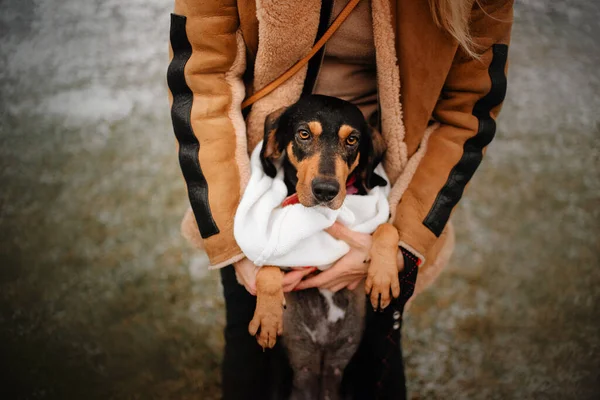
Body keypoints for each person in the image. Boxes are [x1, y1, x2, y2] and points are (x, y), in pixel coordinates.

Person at [167, 0, 514, 398]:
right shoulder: (264, 187)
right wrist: (237, 242)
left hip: (391, 189)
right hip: (247, 183)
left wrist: (401, 243)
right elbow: (200, 80)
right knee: (253, 370)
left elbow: (469, 112)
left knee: (375, 369)